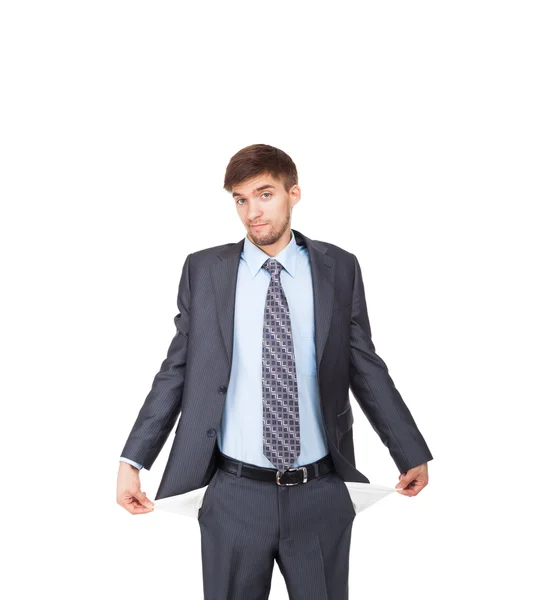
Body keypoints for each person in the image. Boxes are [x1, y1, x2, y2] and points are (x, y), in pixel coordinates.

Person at [116, 143, 433, 599]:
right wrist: (134, 459)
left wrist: (408, 448)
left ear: (294, 193)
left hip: (320, 493)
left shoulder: (338, 267)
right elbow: (177, 369)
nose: (252, 212)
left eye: (264, 194)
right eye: (240, 200)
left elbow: (364, 364)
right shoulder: (204, 270)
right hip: (234, 496)